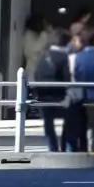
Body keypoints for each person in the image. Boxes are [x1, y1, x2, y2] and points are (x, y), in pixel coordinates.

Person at [29, 15, 71, 152]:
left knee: (48, 123)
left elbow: (36, 73)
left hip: (43, 93)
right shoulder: (64, 57)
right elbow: (67, 77)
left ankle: (52, 148)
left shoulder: (43, 55)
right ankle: (65, 147)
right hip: (60, 95)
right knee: (69, 121)